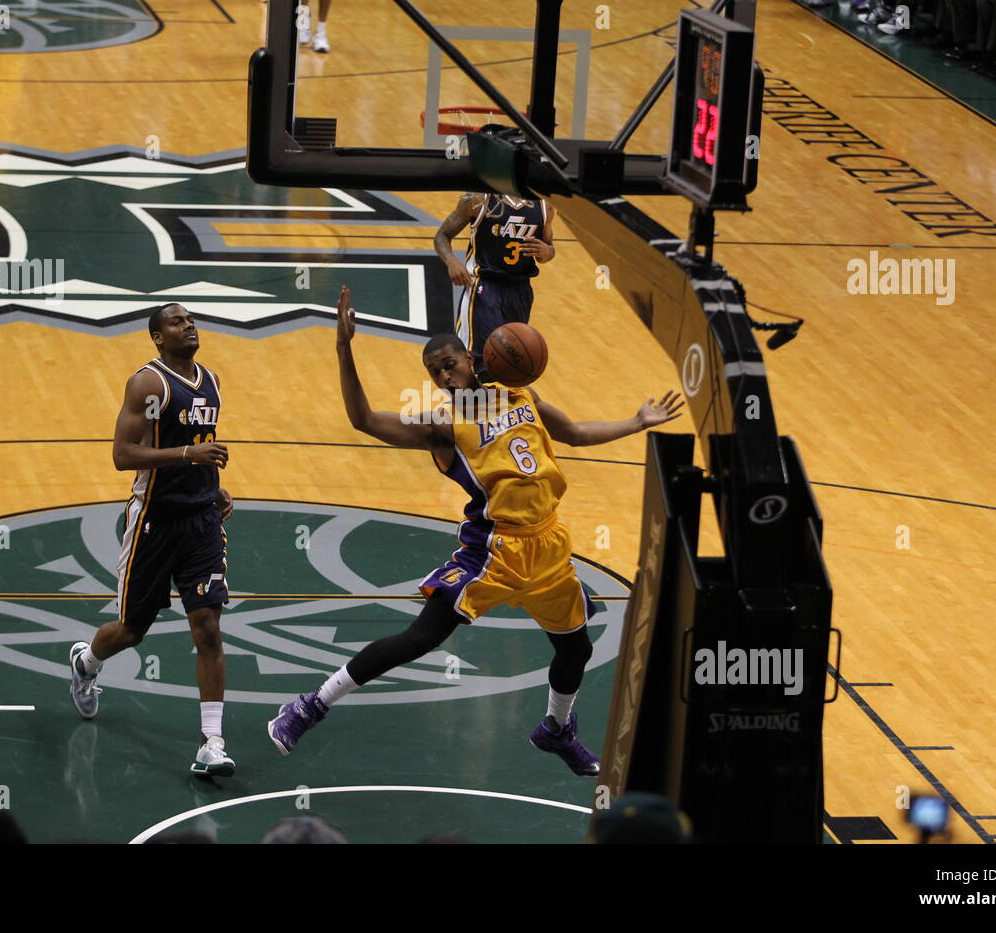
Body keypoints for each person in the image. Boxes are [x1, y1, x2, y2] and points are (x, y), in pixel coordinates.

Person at [266, 286, 685, 776]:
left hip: (549, 544)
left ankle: (555, 729)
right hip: (493, 549)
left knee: (577, 647)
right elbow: (363, 420)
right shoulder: (443, 425)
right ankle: (309, 705)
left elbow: (573, 433)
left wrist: (636, 422)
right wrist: (344, 348)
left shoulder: (520, 393)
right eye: (435, 371)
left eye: (450, 363)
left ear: (471, 358)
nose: (445, 375)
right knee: (422, 637)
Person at [68, 303, 236, 777]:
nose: (189, 325)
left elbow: (201, 447)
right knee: (131, 631)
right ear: (158, 338)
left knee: (207, 627)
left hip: (201, 522)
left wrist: (212, 486)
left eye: (191, 319)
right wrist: (189, 454)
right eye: (176, 322)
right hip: (154, 524)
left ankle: (212, 743)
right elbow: (123, 455)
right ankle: (86, 663)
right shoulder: (148, 383)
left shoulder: (213, 381)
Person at [434, 190, 556, 378]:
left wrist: (547, 252)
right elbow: (442, 235)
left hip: (520, 290)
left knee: (511, 360)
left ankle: (500, 404)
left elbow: (548, 249)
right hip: (484, 288)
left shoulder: (545, 206)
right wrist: (451, 261)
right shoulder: (478, 199)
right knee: (476, 360)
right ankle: (471, 404)